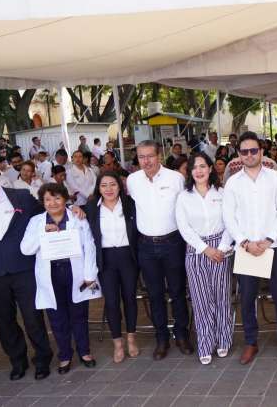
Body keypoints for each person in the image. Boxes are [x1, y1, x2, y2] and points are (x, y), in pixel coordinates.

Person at [223, 132, 277, 365]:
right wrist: (244, 241)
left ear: (261, 153)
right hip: (245, 249)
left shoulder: (274, 178)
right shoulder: (233, 182)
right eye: (245, 151)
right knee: (246, 298)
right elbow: (228, 217)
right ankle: (251, 342)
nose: (250, 155)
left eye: (254, 150)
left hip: (274, 247)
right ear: (239, 155)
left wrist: (269, 239)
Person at [21, 183, 102, 374]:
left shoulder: (77, 217)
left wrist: (90, 275)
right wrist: (43, 235)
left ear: (65, 199)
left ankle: (84, 352)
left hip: (76, 272)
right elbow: (25, 249)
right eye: (48, 199)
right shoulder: (36, 222)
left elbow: (89, 246)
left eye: (57, 198)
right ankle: (65, 356)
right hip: (51, 274)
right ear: (42, 202)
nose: (52, 203)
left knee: (79, 315)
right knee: (57, 318)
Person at [126, 140, 193, 360]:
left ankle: (182, 335)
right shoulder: (132, 180)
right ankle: (161, 339)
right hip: (145, 245)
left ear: (159, 156)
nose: (146, 161)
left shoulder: (176, 179)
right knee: (154, 295)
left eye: (150, 156)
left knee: (177, 292)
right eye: (141, 157)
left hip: (173, 242)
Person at [0, 173, 54, 381]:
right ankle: (17, 361)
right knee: (4, 321)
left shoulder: (21, 197)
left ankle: (43, 359)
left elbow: (46, 212)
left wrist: (71, 210)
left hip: (24, 269)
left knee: (33, 317)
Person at [176, 153, 234, 365]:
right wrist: (205, 249)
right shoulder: (184, 196)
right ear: (190, 172)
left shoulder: (222, 193)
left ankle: (224, 340)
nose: (199, 171)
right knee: (201, 301)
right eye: (194, 167)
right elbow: (184, 227)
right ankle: (205, 344)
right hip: (196, 250)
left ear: (210, 169)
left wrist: (221, 247)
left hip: (221, 248)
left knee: (221, 297)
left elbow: (231, 222)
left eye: (203, 166)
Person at [84, 172, 140, 363]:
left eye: (113, 185)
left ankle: (131, 337)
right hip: (106, 259)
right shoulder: (91, 207)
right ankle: (117, 343)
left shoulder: (130, 204)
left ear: (120, 186)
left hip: (127, 257)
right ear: (98, 188)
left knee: (130, 299)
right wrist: (76, 209)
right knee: (112, 302)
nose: (109, 189)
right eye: (104, 185)